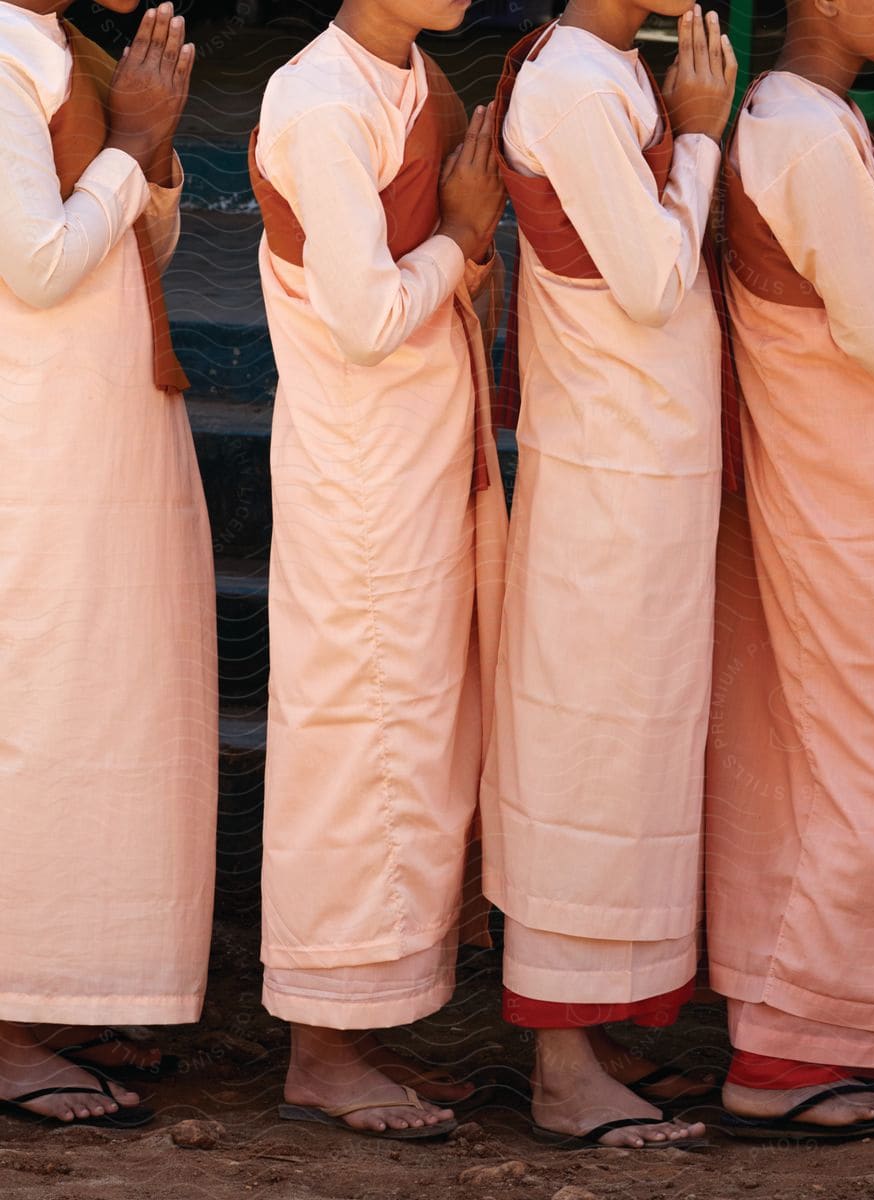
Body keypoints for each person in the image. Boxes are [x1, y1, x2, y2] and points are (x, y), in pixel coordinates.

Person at [250, 0, 508, 1140]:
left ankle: (371, 1026)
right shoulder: (316, 99)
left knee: (415, 732)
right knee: (354, 744)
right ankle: (319, 1050)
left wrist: (457, 244)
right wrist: (460, 230)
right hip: (358, 470)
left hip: (419, 453)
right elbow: (364, 318)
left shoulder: (414, 80)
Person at [481, 0, 735, 1150]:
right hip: (606, 477)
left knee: (637, 747)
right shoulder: (579, 83)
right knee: (589, 750)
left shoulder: (610, 68)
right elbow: (648, 278)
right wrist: (704, 134)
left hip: (649, 465)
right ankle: (561, 1061)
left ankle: (607, 1020)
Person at [704, 0, 874, 1140]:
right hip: (849, 498)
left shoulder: (791, 113)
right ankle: (794, 1053)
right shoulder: (805, 132)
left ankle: (781, 1024)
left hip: (836, 484)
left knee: (812, 769)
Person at [0, 0, 211, 1128]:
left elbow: (135, 251)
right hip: (35, 445)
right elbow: (36, 265)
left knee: (87, 717)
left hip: (95, 433)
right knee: (30, 715)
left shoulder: (61, 52)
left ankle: (45, 991)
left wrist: (151, 146)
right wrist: (129, 142)